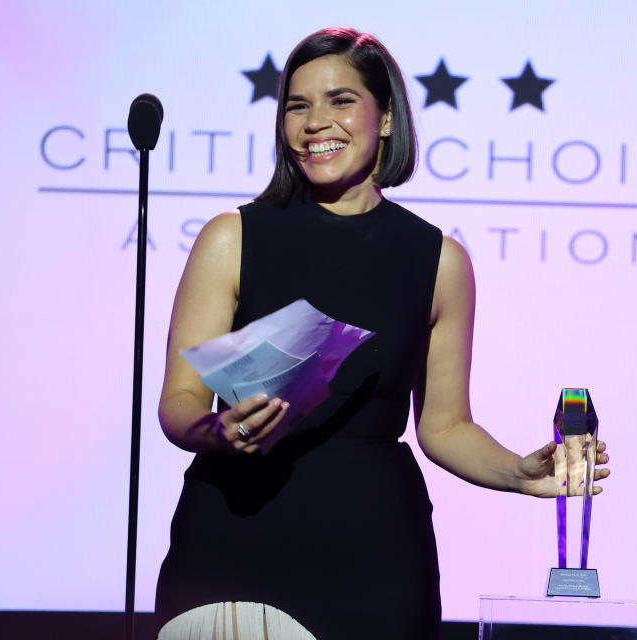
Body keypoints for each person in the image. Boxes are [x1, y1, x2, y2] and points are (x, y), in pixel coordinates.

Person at [154, 27, 610, 640]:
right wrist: (221, 429)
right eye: (297, 105)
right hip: (238, 540)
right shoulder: (231, 238)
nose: (316, 122)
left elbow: (445, 426)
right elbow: (178, 404)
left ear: (386, 116)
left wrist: (520, 474)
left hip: (375, 552)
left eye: (341, 100)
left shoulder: (438, 259)